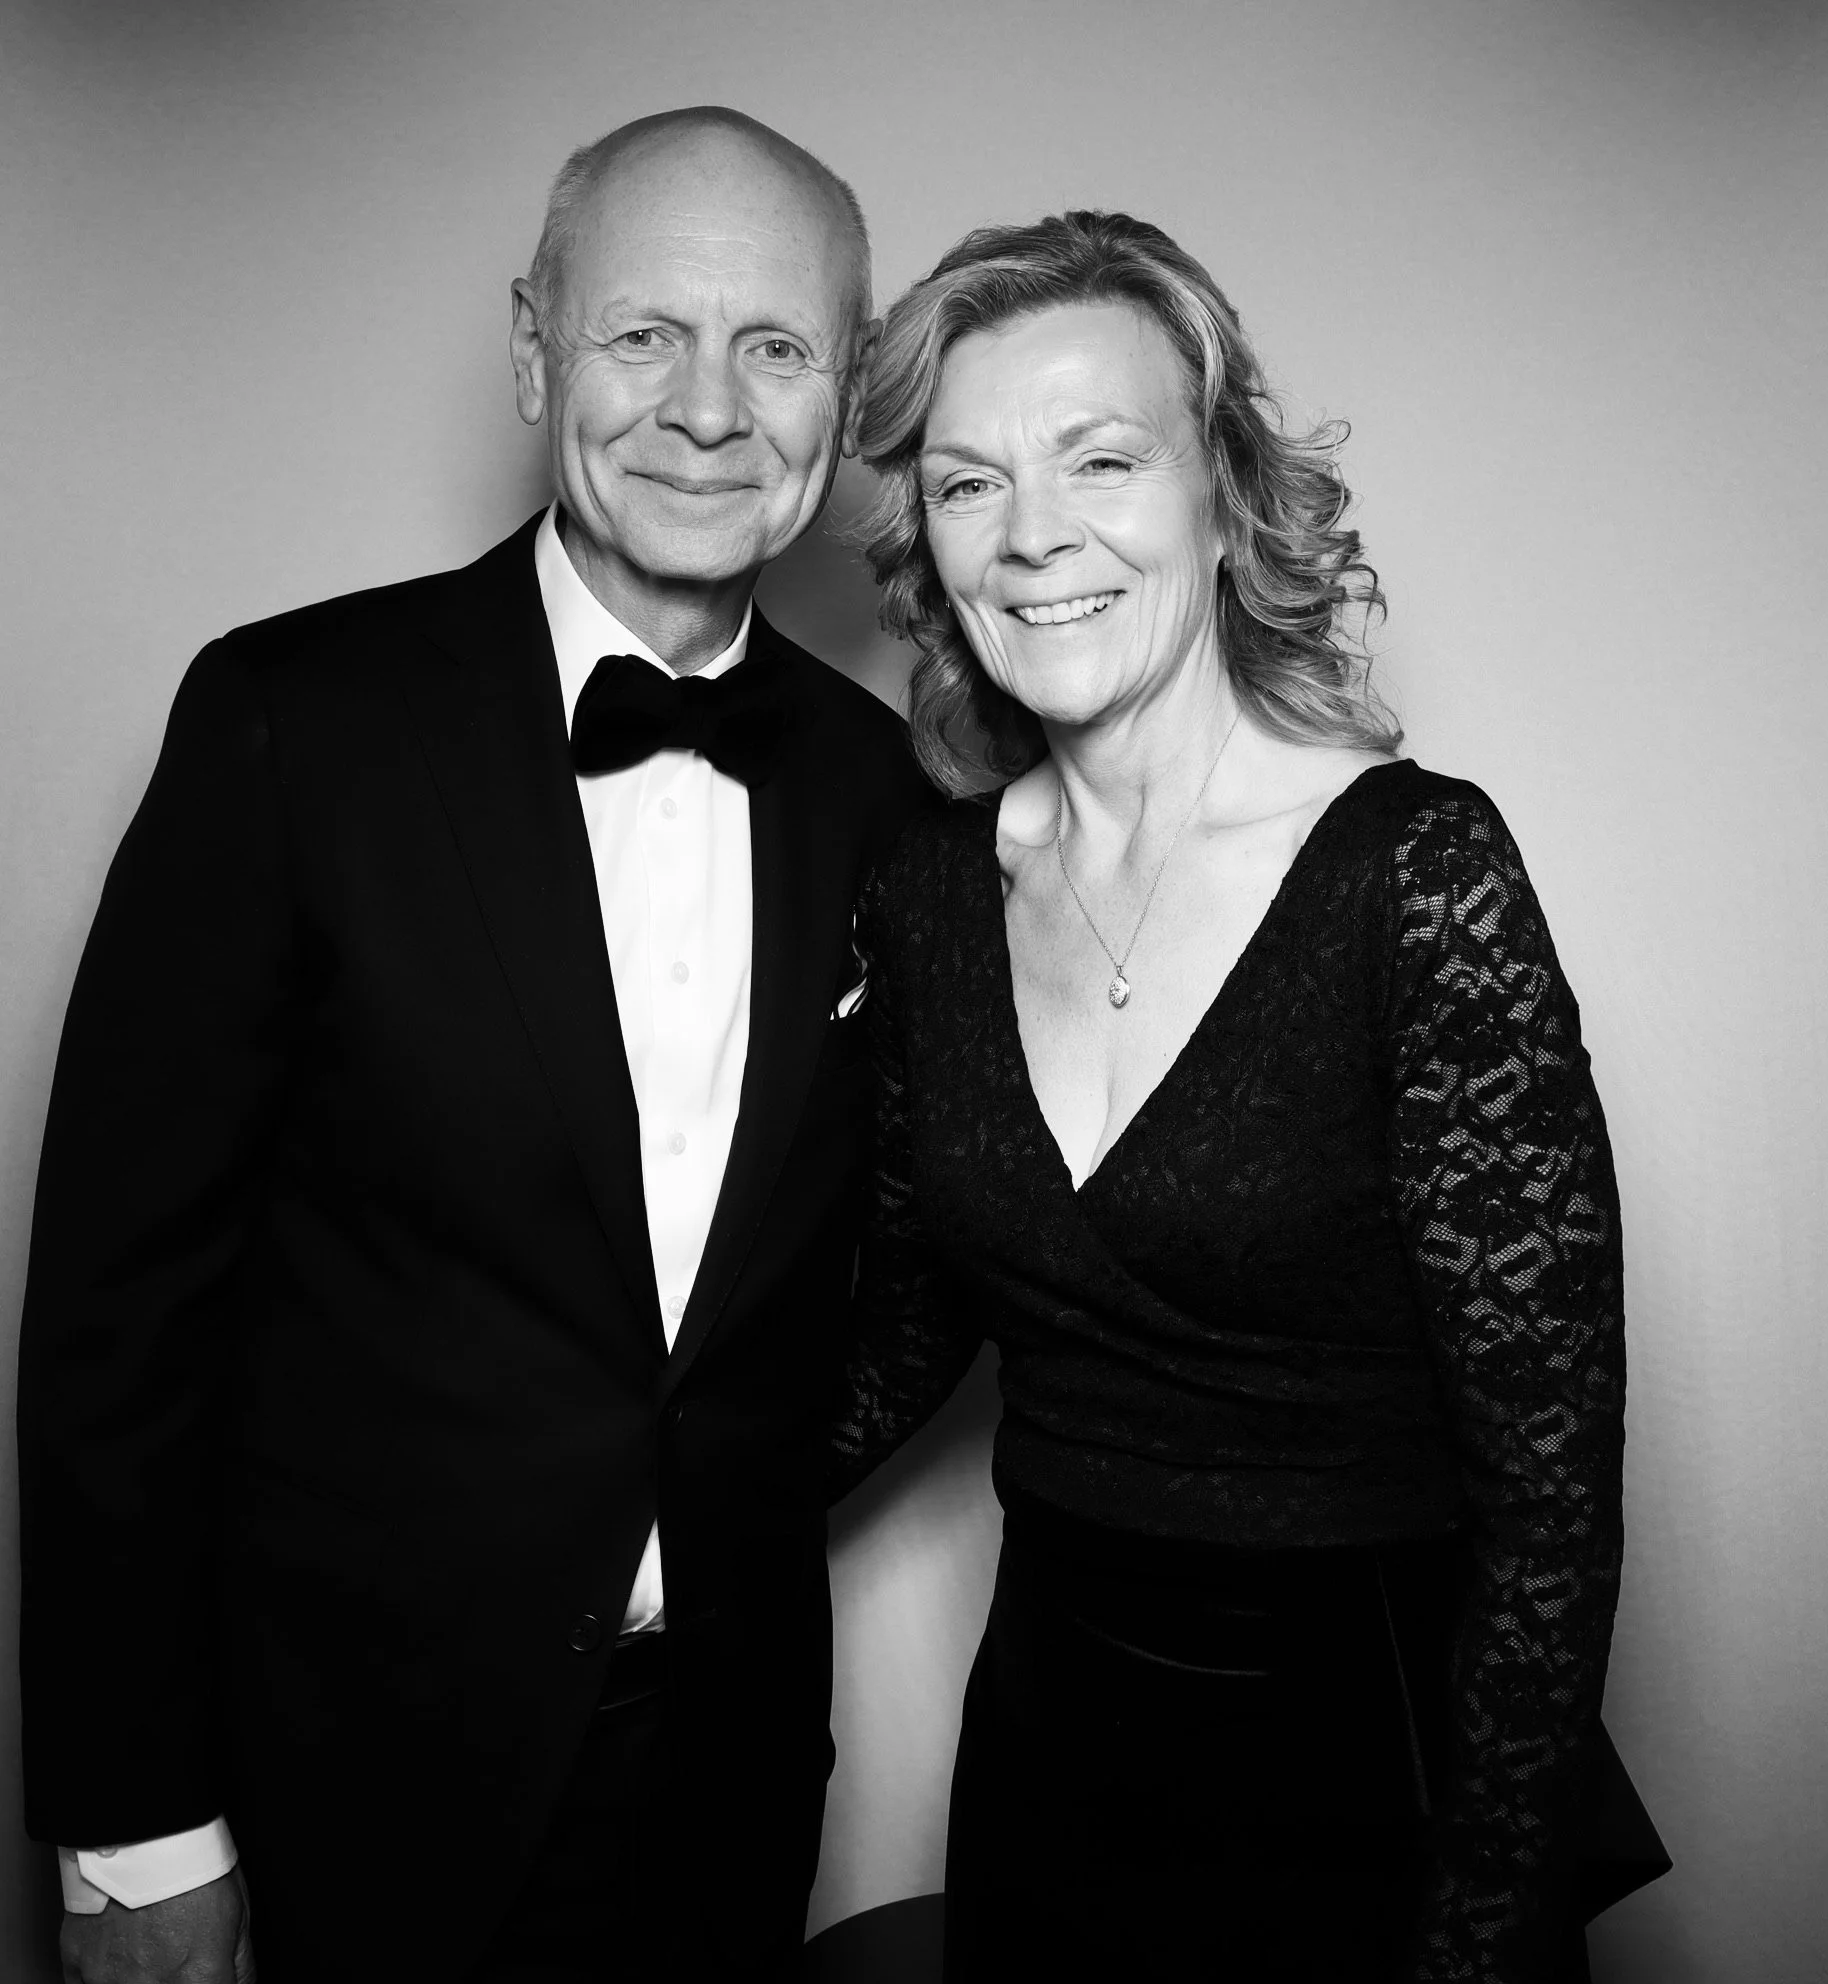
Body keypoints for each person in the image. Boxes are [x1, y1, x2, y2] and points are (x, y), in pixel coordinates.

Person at [18, 108, 930, 1984]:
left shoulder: (887, 791)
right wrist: (133, 1834)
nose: (706, 409)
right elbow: (120, 1324)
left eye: (774, 347)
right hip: (340, 1789)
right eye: (641, 333)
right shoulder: (289, 723)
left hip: (727, 1789)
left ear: (844, 399)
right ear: (534, 350)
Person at [830, 210, 1639, 1982]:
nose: (1032, 533)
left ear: (1222, 497)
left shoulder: (1418, 877)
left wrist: (1480, 1934)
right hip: (1051, 1748)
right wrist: (610, 1511)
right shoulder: (929, 895)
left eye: (1100, 459)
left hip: (1373, 1769)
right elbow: (894, 1336)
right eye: (967, 483)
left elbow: (1551, 1502)